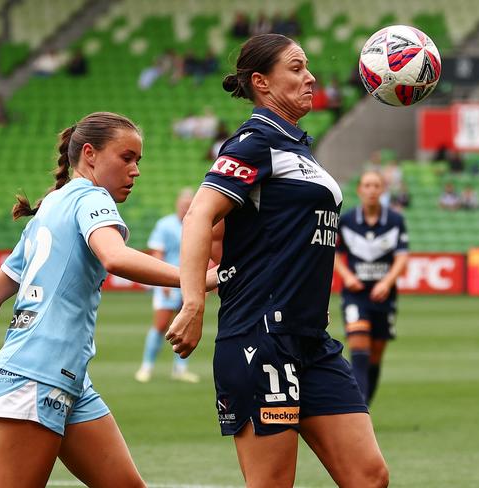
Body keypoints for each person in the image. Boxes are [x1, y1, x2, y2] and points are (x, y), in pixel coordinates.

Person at [0, 112, 217, 487]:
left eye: (138, 161)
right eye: (126, 158)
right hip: (36, 376)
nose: (135, 170)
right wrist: (197, 280)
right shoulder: (91, 197)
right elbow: (116, 257)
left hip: (67, 380)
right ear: (89, 154)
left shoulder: (49, 209)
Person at [165, 34, 389, 487]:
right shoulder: (255, 141)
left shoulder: (298, 147)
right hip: (261, 338)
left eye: (307, 67)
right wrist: (192, 304)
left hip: (310, 340)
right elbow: (199, 216)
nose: (310, 77)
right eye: (296, 67)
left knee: (369, 477)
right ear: (261, 83)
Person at [335, 171, 408, 406]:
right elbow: (333, 253)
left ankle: (365, 404)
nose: (371, 190)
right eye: (367, 185)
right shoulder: (345, 221)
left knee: (375, 355)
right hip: (355, 295)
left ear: (382, 190)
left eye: (376, 185)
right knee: (359, 349)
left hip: (384, 296)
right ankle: (359, 407)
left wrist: (386, 282)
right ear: (359, 190)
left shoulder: (395, 221)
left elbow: (402, 257)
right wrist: (346, 276)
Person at [135, 188, 200, 383]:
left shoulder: (196, 225)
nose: (186, 208)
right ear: (177, 205)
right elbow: (157, 251)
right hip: (168, 281)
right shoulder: (165, 225)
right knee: (161, 324)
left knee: (186, 325)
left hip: (189, 282)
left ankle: (180, 368)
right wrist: (160, 279)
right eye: (183, 204)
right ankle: (146, 366)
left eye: (189, 205)